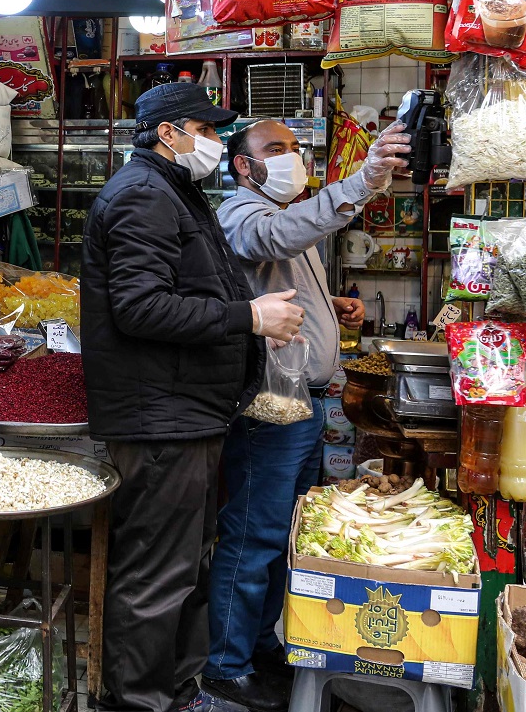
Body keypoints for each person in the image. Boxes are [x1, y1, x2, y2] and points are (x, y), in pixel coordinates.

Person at [82, 83, 305, 712]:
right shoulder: (142, 196)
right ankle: (139, 702)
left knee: (184, 569)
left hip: (186, 412)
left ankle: (177, 692)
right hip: (160, 418)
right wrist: (248, 318)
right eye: (205, 130)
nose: (213, 141)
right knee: (156, 575)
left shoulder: (171, 191)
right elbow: (140, 306)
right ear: (170, 132)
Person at [201, 119, 410, 711]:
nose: (290, 158)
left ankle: (260, 645)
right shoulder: (243, 214)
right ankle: (225, 665)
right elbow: (271, 241)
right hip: (272, 405)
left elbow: (288, 267)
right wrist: (362, 181)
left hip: (304, 404)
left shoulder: (285, 213)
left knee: (284, 535)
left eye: (294, 148)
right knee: (251, 535)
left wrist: (329, 308)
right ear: (244, 166)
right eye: (274, 150)